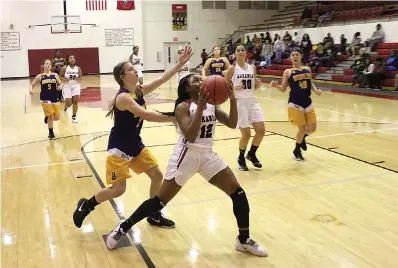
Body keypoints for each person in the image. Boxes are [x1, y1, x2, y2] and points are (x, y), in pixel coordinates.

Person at [104, 73, 268, 257]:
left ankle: (243, 240)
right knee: (159, 201)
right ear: (188, 88)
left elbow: (232, 123)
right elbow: (190, 135)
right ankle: (123, 227)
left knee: (238, 193)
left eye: (201, 79)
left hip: (207, 155)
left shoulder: (212, 105)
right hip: (185, 156)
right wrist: (200, 108)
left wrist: (232, 99)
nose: (201, 81)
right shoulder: (182, 107)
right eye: (195, 80)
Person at [73, 46, 193, 230]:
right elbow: (147, 115)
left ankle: (154, 214)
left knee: (157, 175)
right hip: (119, 148)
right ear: (122, 76)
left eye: (133, 67)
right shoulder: (123, 98)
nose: (135, 69)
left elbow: (162, 79)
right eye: (130, 68)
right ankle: (87, 204)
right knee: (118, 190)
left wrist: (180, 64)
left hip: (135, 144)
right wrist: (176, 117)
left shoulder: (137, 91)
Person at [270, 48, 322, 161]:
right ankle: (296, 150)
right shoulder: (288, 72)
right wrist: (276, 86)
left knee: (312, 128)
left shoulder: (307, 69)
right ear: (290, 58)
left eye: (296, 54)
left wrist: (316, 90)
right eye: (292, 55)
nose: (294, 56)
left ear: (301, 56)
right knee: (302, 128)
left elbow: (310, 82)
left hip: (307, 101)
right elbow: (283, 89)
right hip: (295, 103)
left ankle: (302, 139)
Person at [225, 45, 264, 171]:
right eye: (238, 50)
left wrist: (257, 85)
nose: (241, 52)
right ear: (235, 54)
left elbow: (253, 86)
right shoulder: (232, 68)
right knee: (246, 134)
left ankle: (251, 154)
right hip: (240, 103)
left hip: (252, 101)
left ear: (246, 53)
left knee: (261, 130)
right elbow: (224, 86)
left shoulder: (252, 68)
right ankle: (241, 157)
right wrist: (233, 89)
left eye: (243, 50)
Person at [29, 59, 62, 139]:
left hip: (54, 97)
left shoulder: (55, 75)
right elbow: (32, 84)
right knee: (51, 116)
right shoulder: (40, 76)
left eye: (50, 64)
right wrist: (30, 89)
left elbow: (60, 84)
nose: (48, 65)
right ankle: (51, 133)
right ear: (43, 66)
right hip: (45, 98)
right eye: (46, 63)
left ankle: (47, 117)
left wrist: (60, 87)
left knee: (56, 117)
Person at [59, 55, 83, 123]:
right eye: (71, 58)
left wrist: (77, 79)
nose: (72, 59)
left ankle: (74, 117)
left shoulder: (78, 68)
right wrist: (65, 79)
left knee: (75, 102)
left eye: (73, 58)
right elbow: (60, 76)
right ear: (68, 60)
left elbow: (81, 77)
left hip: (76, 85)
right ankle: (66, 107)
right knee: (69, 104)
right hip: (67, 86)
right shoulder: (64, 68)